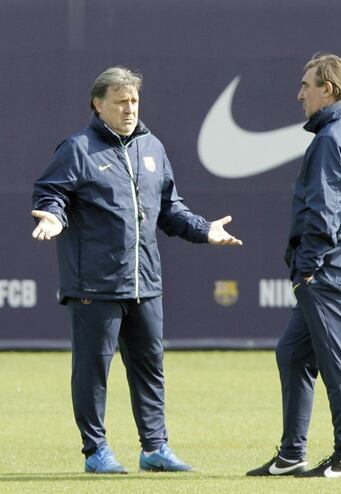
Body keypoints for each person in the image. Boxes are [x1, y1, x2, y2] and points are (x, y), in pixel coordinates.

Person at [32, 66, 242, 474]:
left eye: (134, 101)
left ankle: (155, 448)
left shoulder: (153, 148)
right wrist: (53, 216)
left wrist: (204, 231)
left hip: (145, 282)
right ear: (98, 105)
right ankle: (96, 451)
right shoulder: (78, 148)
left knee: (150, 367)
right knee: (93, 370)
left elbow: (169, 209)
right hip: (94, 283)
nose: (129, 109)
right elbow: (51, 191)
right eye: (120, 102)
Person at [246, 53, 341, 478]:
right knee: (292, 354)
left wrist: (307, 266)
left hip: (327, 273)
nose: (299, 94)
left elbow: (325, 213)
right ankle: (292, 454)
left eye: (307, 85)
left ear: (328, 89)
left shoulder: (330, 139)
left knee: (338, 364)